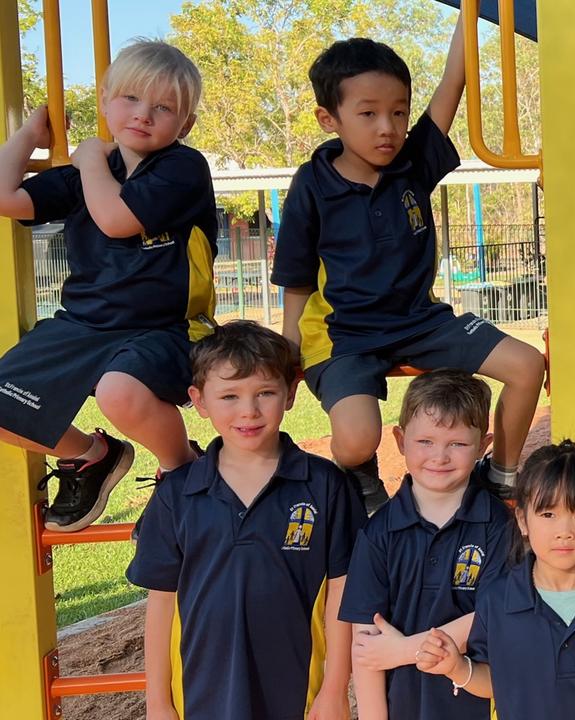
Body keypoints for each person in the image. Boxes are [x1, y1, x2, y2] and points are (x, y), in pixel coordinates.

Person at [271, 16, 545, 515]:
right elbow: (296, 277)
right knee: (355, 439)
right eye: (369, 113)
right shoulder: (313, 185)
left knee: (528, 365)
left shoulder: (411, 164)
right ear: (328, 119)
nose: (388, 128)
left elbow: (451, 83)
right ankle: (358, 477)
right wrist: (290, 349)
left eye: (398, 113)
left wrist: (469, 12)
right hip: (343, 333)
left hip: (420, 320)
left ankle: (501, 477)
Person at [0, 40, 213, 531]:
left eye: (163, 107)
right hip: (84, 324)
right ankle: (92, 456)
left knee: (119, 392)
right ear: (104, 100)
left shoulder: (182, 167)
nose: (143, 115)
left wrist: (90, 157)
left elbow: (117, 219)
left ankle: (181, 468)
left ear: (185, 125)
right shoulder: (84, 178)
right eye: (131, 99)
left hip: (163, 328)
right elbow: (6, 197)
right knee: (5, 405)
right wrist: (31, 135)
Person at [127, 321, 365, 719]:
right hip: (200, 693)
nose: (248, 412)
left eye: (265, 393)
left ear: (290, 393)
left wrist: (335, 689)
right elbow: (162, 604)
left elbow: (343, 596)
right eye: (229, 396)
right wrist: (158, 702)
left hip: (298, 691)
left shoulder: (325, 486)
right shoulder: (177, 495)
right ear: (199, 401)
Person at [417, 441, 575, 719]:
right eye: (548, 514)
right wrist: (457, 667)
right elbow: (497, 681)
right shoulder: (498, 600)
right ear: (522, 520)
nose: (564, 531)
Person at [339, 369, 512, 720]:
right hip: (397, 705)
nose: (440, 456)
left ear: (483, 445)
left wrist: (401, 650)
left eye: (458, 444)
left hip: (474, 701)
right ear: (401, 440)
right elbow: (368, 646)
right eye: (425, 442)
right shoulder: (379, 532)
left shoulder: (497, 525)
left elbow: (496, 616)